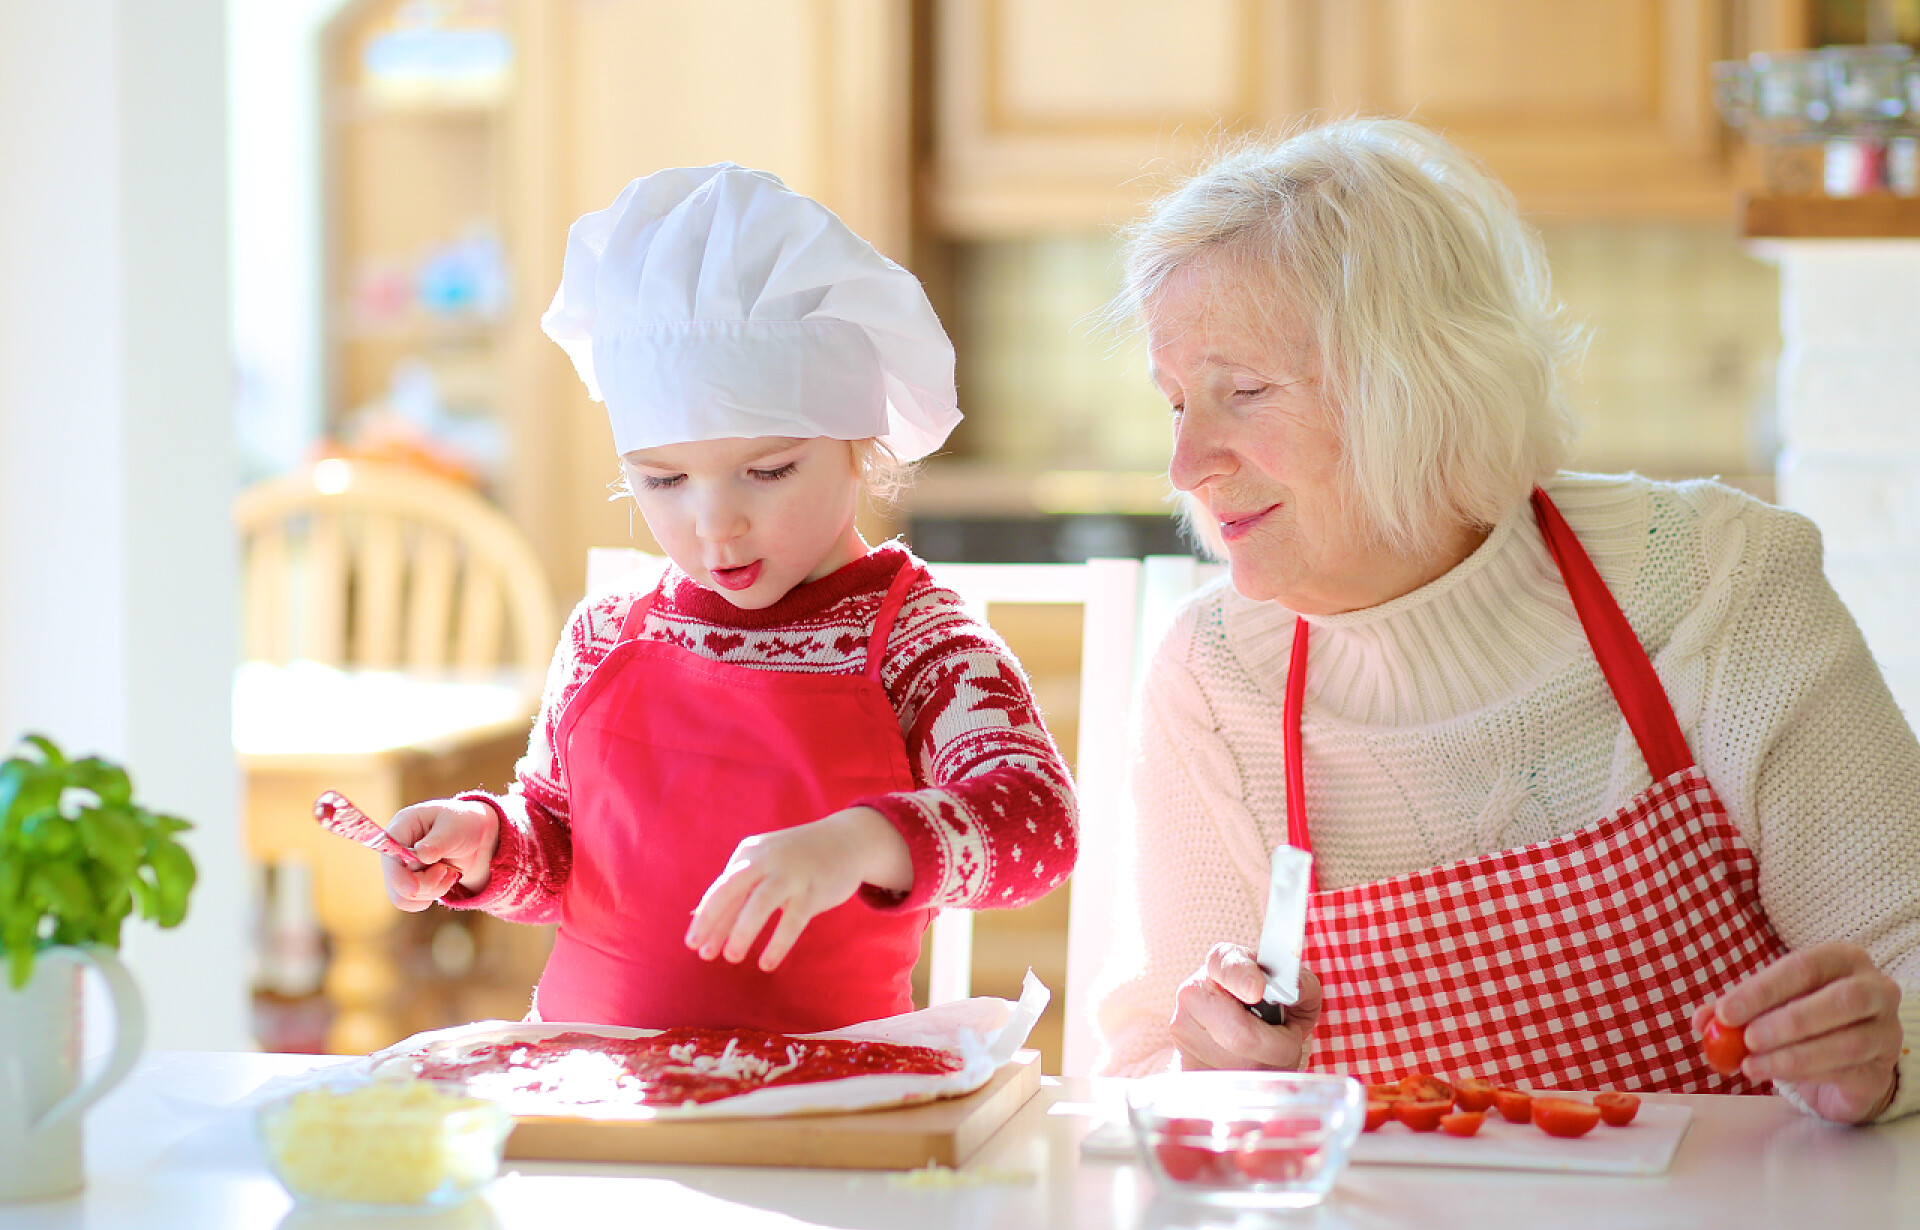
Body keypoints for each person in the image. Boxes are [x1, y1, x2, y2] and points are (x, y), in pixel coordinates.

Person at [1091, 118, 1919, 1124]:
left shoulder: (1716, 581)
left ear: (1418, 388)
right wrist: (1211, 1075)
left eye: (1245, 392)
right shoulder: (1209, 682)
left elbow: (1902, 956)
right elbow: (1139, 1071)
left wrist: (1880, 1055)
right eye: (1178, 403)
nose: (1186, 466)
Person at [372, 164, 1077, 1033]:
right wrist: (485, 843)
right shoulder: (603, 635)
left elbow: (1039, 824)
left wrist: (859, 842)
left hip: (820, 1107)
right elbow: (561, 851)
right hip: (600, 1091)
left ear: (860, 444)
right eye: (662, 482)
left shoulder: (918, 643)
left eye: (768, 470)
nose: (717, 527)